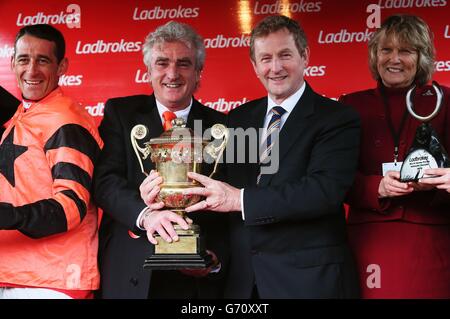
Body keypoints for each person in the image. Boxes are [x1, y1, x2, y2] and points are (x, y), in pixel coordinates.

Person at [173, 15, 361, 298]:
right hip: (244, 284)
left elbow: (323, 191)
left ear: (305, 56)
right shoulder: (238, 120)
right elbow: (219, 194)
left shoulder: (336, 118)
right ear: (254, 66)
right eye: (266, 58)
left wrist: (240, 199)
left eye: (285, 55)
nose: (275, 67)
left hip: (308, 283)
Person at [93, 21, 227, 299]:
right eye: (162, 63)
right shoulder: (121, 113)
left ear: (199, 71)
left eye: (184, 64)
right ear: (149, 70)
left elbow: (233, 207)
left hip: (195, 284)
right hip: (131, 271)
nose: (172, 73)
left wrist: (213, 258)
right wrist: (146, 216)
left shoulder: (222, 127)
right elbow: (105, 183)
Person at [338, 14, 450, 298]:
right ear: (375, 56)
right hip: (369, 238)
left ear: (421, 57)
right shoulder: (351, 106)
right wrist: (377, 186)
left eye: (406, 50)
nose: (394, 59)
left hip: (431, 238)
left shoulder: (446, 101)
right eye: (386, 50)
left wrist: (443, 182)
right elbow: (335, 178)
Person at [0, 24, 102, 299]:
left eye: (43, 60)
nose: (31, 70)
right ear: (12, 63)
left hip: (52, 281)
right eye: (23, 59)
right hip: (15, 275)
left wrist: (7, 215)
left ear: (62, 67)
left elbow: (72, 204)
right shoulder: (24, 113)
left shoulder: (66, 121)